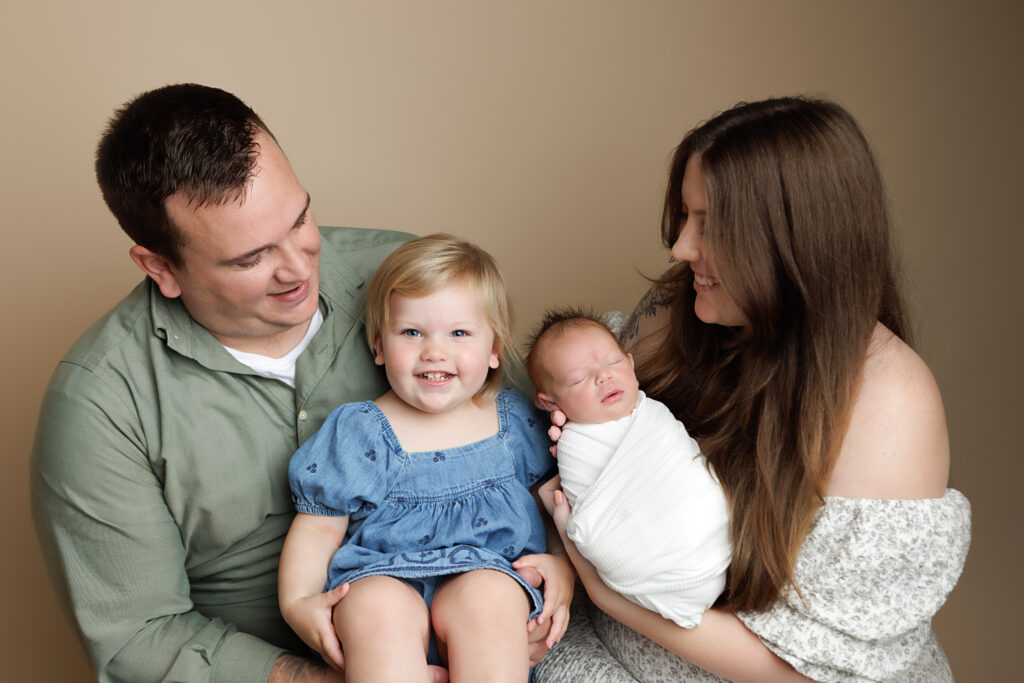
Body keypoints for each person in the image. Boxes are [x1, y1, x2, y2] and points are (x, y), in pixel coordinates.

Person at [30, 84, 558, 683]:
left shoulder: (409, 287)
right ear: (161, 267)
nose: (298, 266)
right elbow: (136, 637)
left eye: (300, 218)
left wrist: (532, 601)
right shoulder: (100, 403)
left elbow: (544, 445)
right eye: (250, 257)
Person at [533, 96, 971, 682]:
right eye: (685, 216)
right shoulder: (680, 304)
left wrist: (605, 589)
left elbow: (813, 674)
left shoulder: (889, 399)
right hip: (604, 645)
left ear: (794, 238)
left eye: (710, 225)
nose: (681, 248)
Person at [279, 233, 572, 682]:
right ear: (379, 345)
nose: (435, 351)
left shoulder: (513, 421)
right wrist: (298, 602)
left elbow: (554, 504)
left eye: (459, 333)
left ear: (494, 349)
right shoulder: (360, 429)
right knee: (374, 606)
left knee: (490, 598)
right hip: (383, 579)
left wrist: (562, 567)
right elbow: (318, 527)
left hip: (488, 577)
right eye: (411, 332)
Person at [524, 309, 730, 630]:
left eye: (615, 363)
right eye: (579, 378)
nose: (603, 377)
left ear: (632, 366)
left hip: (716, 542)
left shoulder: (653, 414)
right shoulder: (574, 447)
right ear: (551, 403)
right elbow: (595, 511)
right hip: (649, 573)